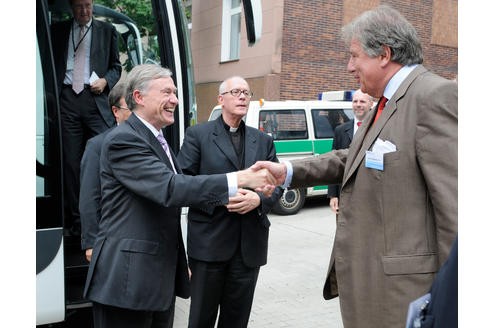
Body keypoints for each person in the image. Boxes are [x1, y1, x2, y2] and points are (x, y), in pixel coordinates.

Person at [251, 5, 457, 327]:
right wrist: (288, 172)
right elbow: (353, 156)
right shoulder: (388, 102)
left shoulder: (433, 97)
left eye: (354, 56)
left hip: (406, 296)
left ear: (384, 54)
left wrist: (451, 304)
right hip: (373, 288)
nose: (349, 67)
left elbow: (455, 212)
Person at [83, 64, 275, 328]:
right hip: (128, 282)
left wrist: (179, 263)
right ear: (138, 97)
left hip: (156, 278)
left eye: (175, 92)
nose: (175, 99)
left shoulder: (157, 140)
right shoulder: (124, 140)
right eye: (167, 92)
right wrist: (240, 178)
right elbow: (172, 188)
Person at [177, 77, 283, 328]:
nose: (243, 97)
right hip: (209, 244)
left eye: (246, 92)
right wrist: (223, 197)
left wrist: (258, 199)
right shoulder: (198, 135)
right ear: (220, 99)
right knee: (201, 318)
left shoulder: (263, 140)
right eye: (236, 92)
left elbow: (277, 184)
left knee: (237, 320)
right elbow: (184, 184)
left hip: (248, 247)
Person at [51, 0, 122, 236]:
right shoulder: (57, 30)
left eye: (88, 5)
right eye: (79, 6)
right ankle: (77, 222)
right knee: (71, 163)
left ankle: (106, 217)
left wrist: (106, 81)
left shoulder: (107, 30)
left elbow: (116, 67)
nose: (84, 11)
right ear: (72, 7)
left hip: (95, 100)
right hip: (67, 99)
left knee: (103, 157)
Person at [79, 82, 131, 263]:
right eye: (130, 106)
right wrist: (91, 243)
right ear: (116, 111)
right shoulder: (98, 145)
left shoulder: (154, 141)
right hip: (111, 240)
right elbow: (89, 195)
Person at [327, 89, 373, 213]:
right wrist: (333, 195)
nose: (358, 104)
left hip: (370, 196)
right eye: (355, 101)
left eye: (362, 101)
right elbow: (333, 164)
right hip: (345, 195)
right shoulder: (340, 130)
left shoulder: (379, 129)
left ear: (371, 104)